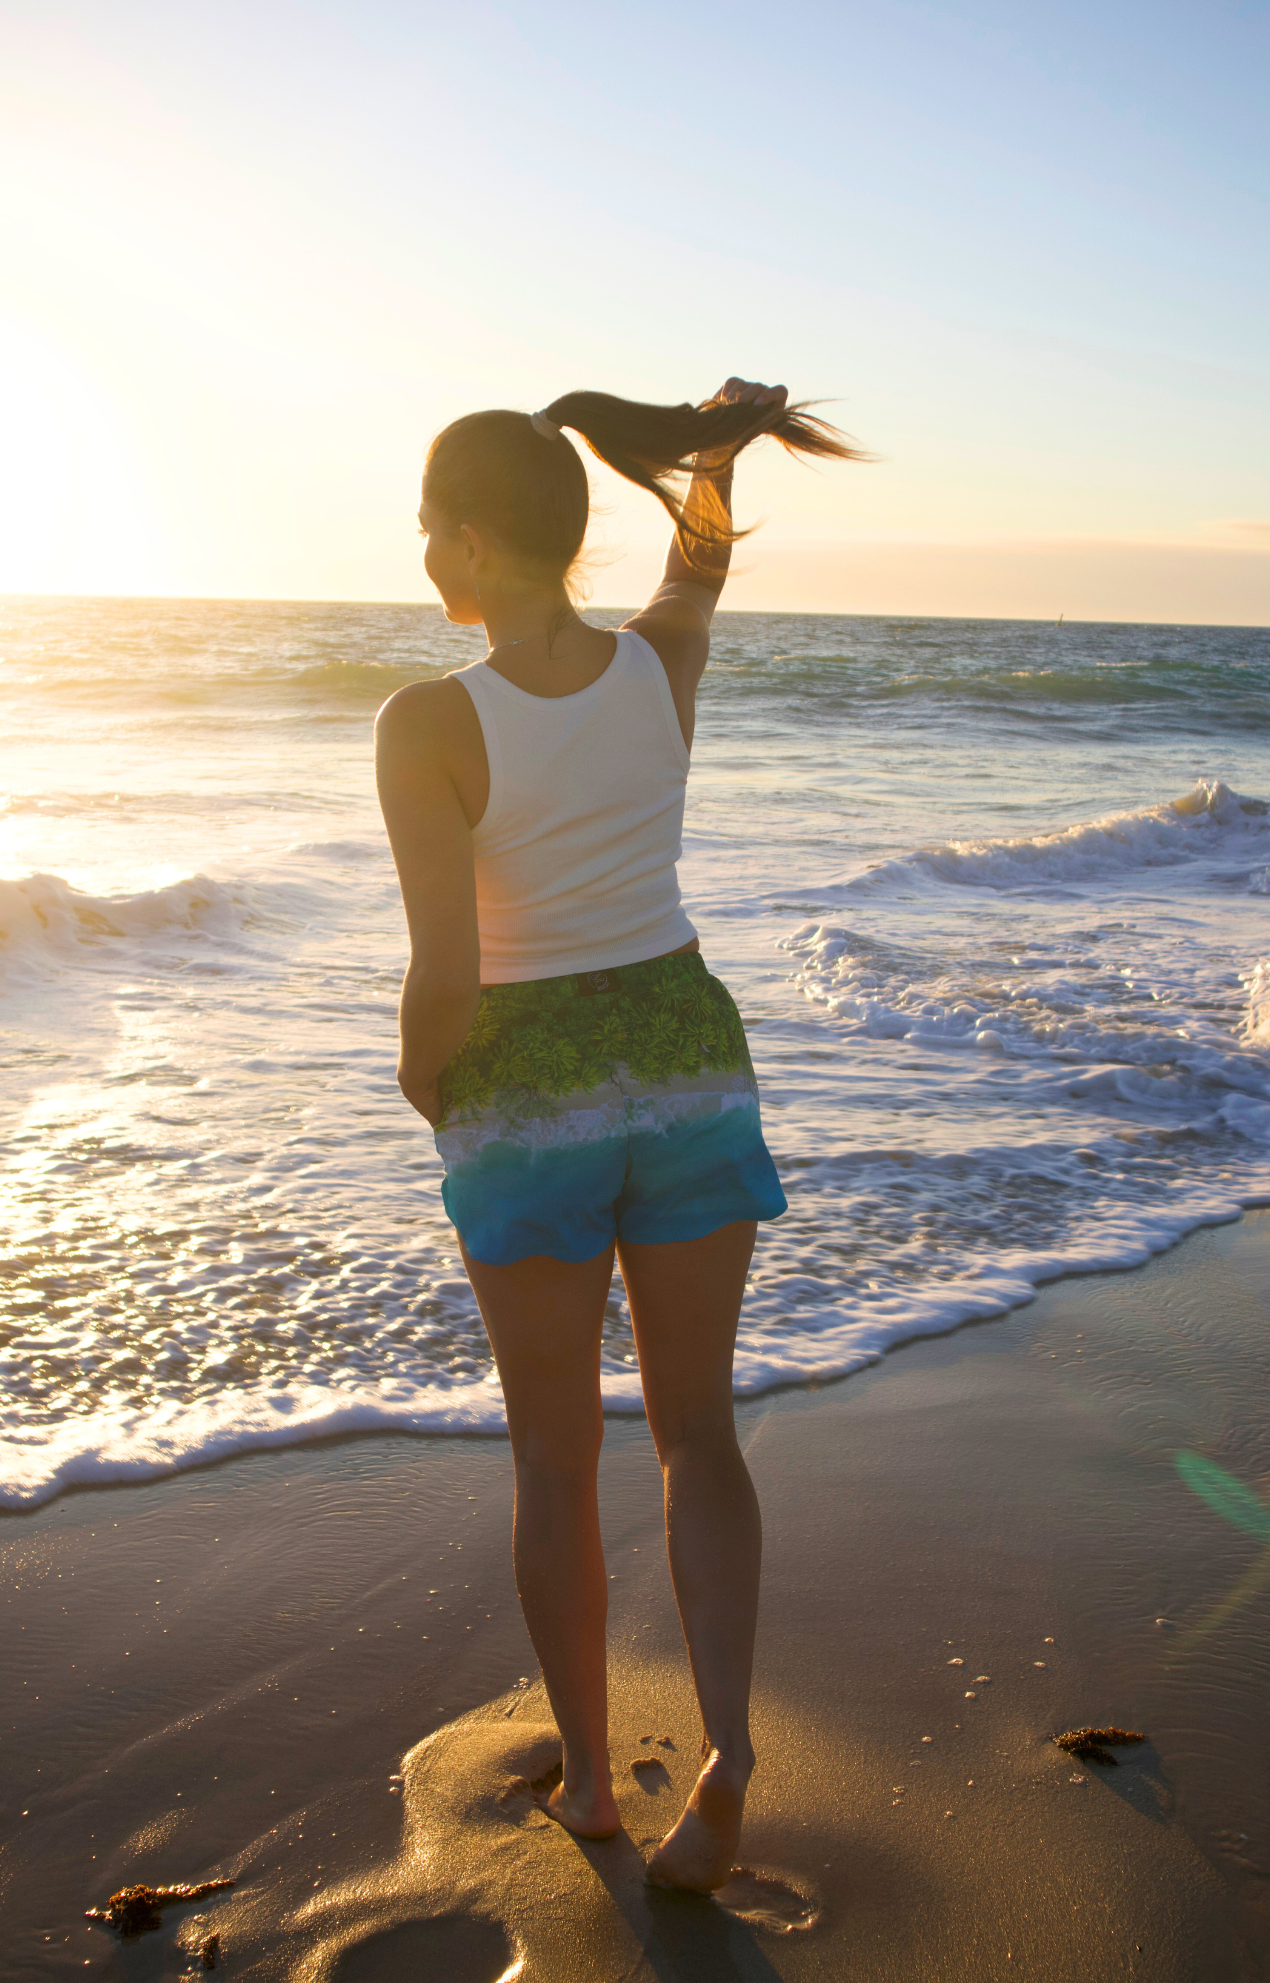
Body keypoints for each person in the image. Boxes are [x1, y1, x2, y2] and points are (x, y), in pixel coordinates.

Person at [375, 379, 862, 1890]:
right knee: (699, 1434)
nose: (421, 552)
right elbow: (701, 568)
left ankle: (592, 1783)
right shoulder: (658, 663)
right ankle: (722, 1754)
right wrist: (708, 464)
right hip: (688, 1055)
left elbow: (446, 977)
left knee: (558, 1459)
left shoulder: (428, 721)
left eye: (425, 526)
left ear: (465, 537)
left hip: (530, 1090)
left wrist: (423, 1084)